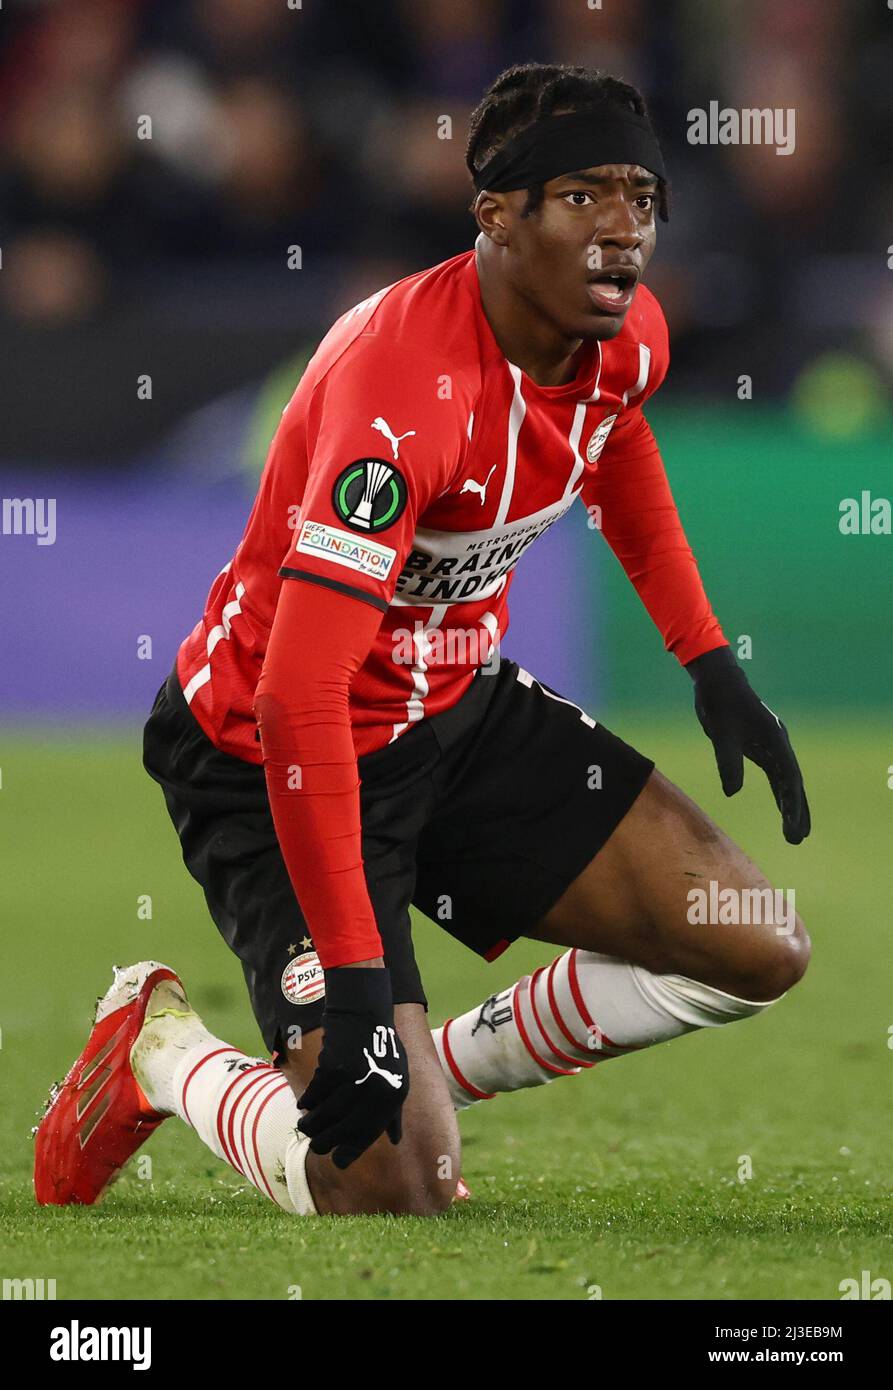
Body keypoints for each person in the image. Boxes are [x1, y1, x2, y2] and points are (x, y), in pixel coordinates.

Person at [35, 63, 810, 1218]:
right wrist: (355, 988)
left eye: (640, 199)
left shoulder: (621, 331)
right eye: (583, 195)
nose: (621, 231)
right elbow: (298, 700)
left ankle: (415, 1073)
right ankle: (160, 1050)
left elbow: (616, 439)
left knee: (758, 944)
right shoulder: (399, 399)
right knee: (394, 1189)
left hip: (451, 712)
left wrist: (705, 661)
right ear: (495, 214)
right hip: (271, 752)